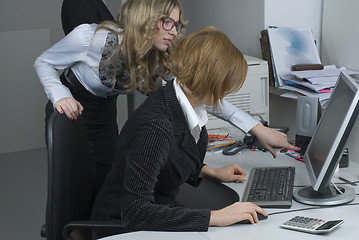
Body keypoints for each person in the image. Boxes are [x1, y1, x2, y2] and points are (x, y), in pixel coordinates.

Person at [35, 0, 297, 193]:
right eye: (167, 22)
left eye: (177, 23)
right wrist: (60, 95)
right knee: (74, 186)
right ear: (145, 20)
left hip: (104, 110)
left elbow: (201, 92)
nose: (174, 30)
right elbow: (44, 62)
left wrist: (257, 127)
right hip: (72, 103)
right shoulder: (89, 38)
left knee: (105, 179)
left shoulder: (157, 57)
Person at [91, 26, 272, 237]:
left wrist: (211, 171)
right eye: (227, 85)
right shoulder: (155, 125)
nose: (227, 92)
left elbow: (166, 159)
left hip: (156, 216)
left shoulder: (181, 105)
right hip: (122, 229)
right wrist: (216, 217)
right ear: (212, 81)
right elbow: (135, 212)